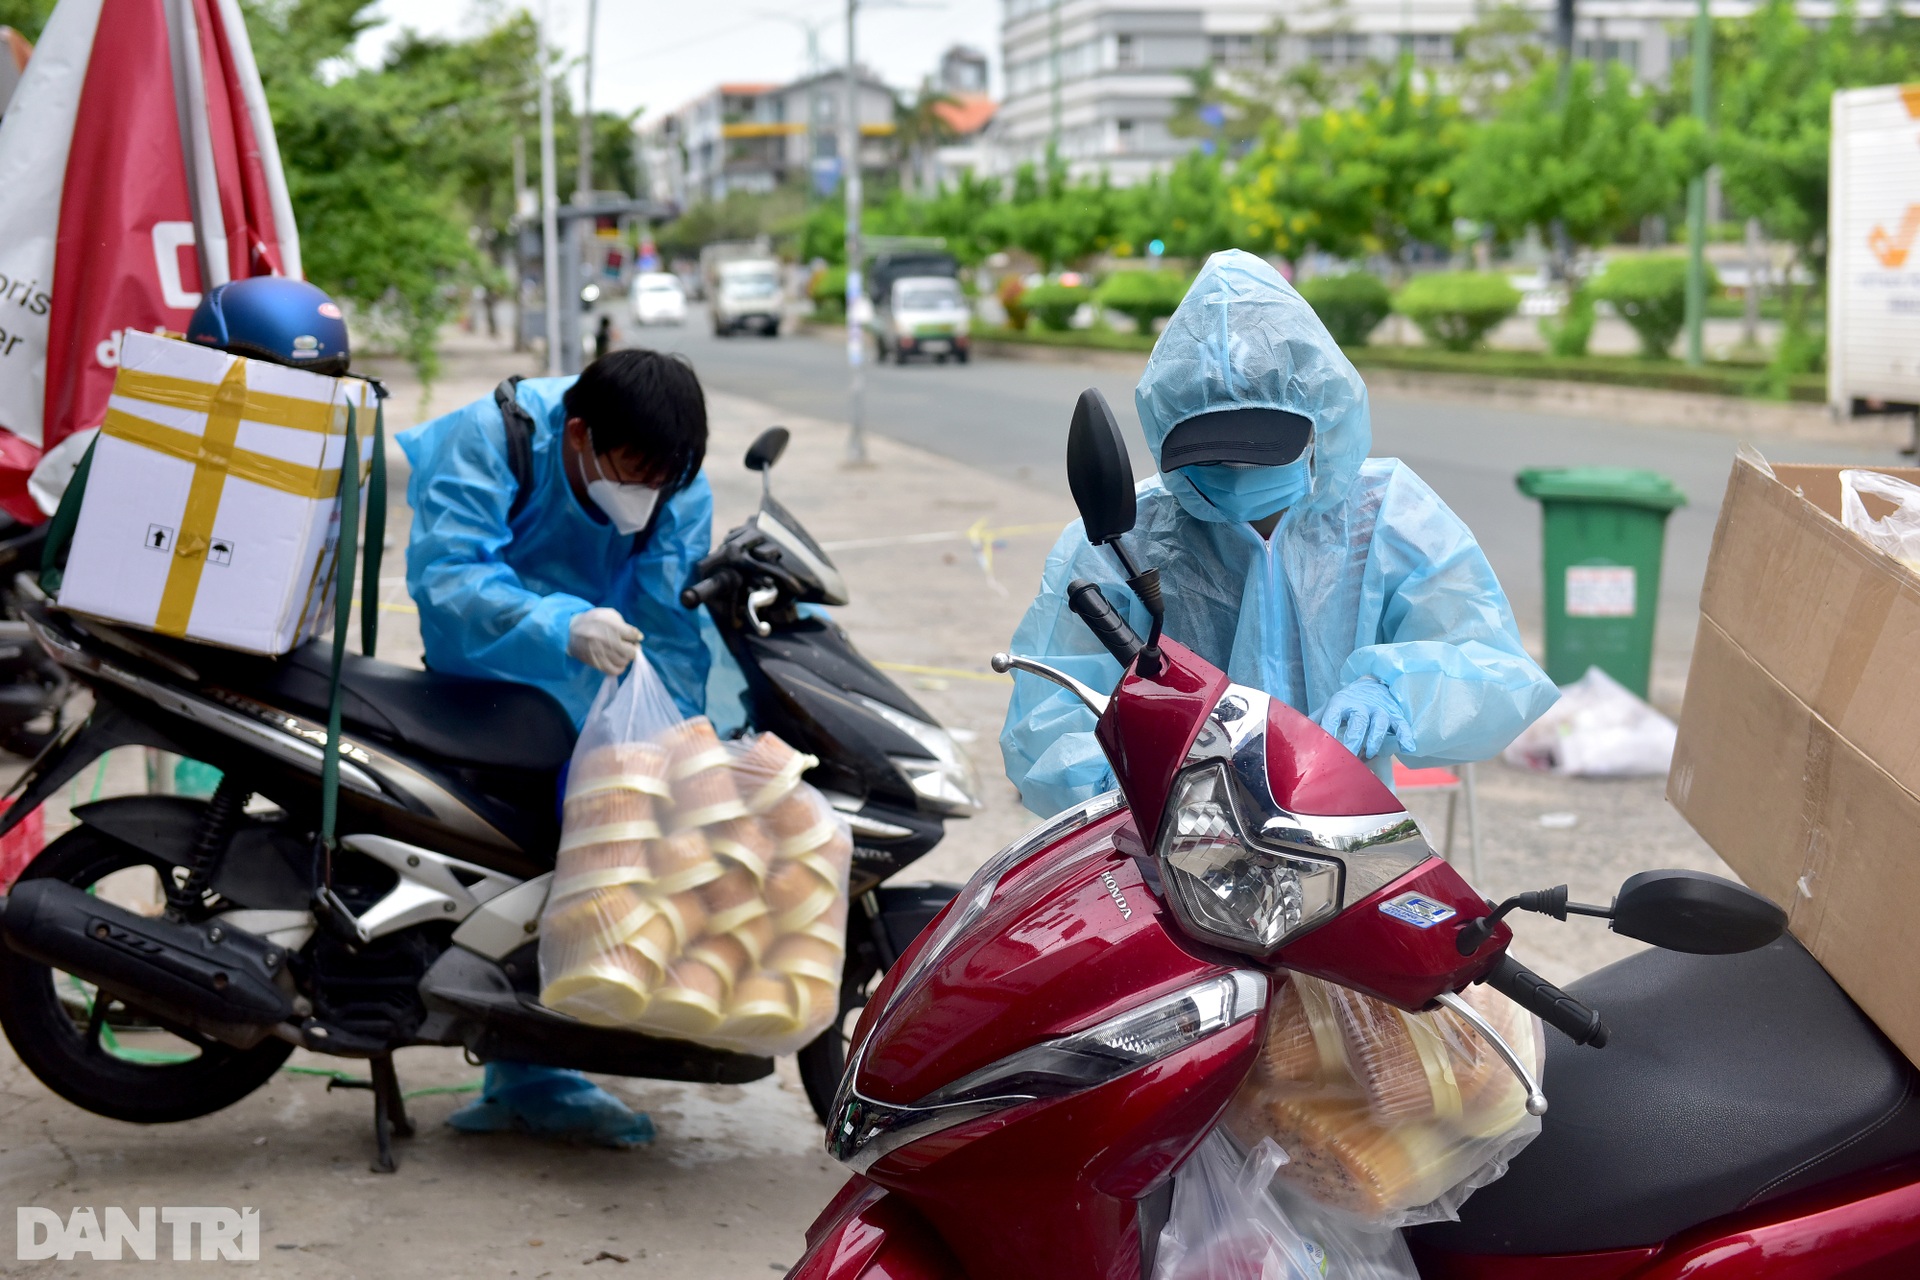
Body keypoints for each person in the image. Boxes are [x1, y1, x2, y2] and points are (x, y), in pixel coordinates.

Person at [1001, 251, 1557, 818]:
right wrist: (1119, 794)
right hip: (1172, 846)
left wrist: (1397, 692)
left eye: (1260, 454)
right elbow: (1051, 721)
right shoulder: (1125, 542)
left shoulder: (1385, 514)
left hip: (1345, 835)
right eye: (1215, 456)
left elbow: (1491, 663)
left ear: (1323, 424)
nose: (1239, 476)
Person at [398, 348, 714, 1145]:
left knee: (607, 846)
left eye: (662, 479)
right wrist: (556, 623)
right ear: (578, 433)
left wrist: (676, 736)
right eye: (632, 470)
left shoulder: (675, 482)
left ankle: (539, 1047)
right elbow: (447, 575)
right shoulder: (491, 437)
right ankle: (528, 1071)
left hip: (600, 679)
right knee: (524, 847)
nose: (644, 495)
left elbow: (673, 620)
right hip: (481, 673)